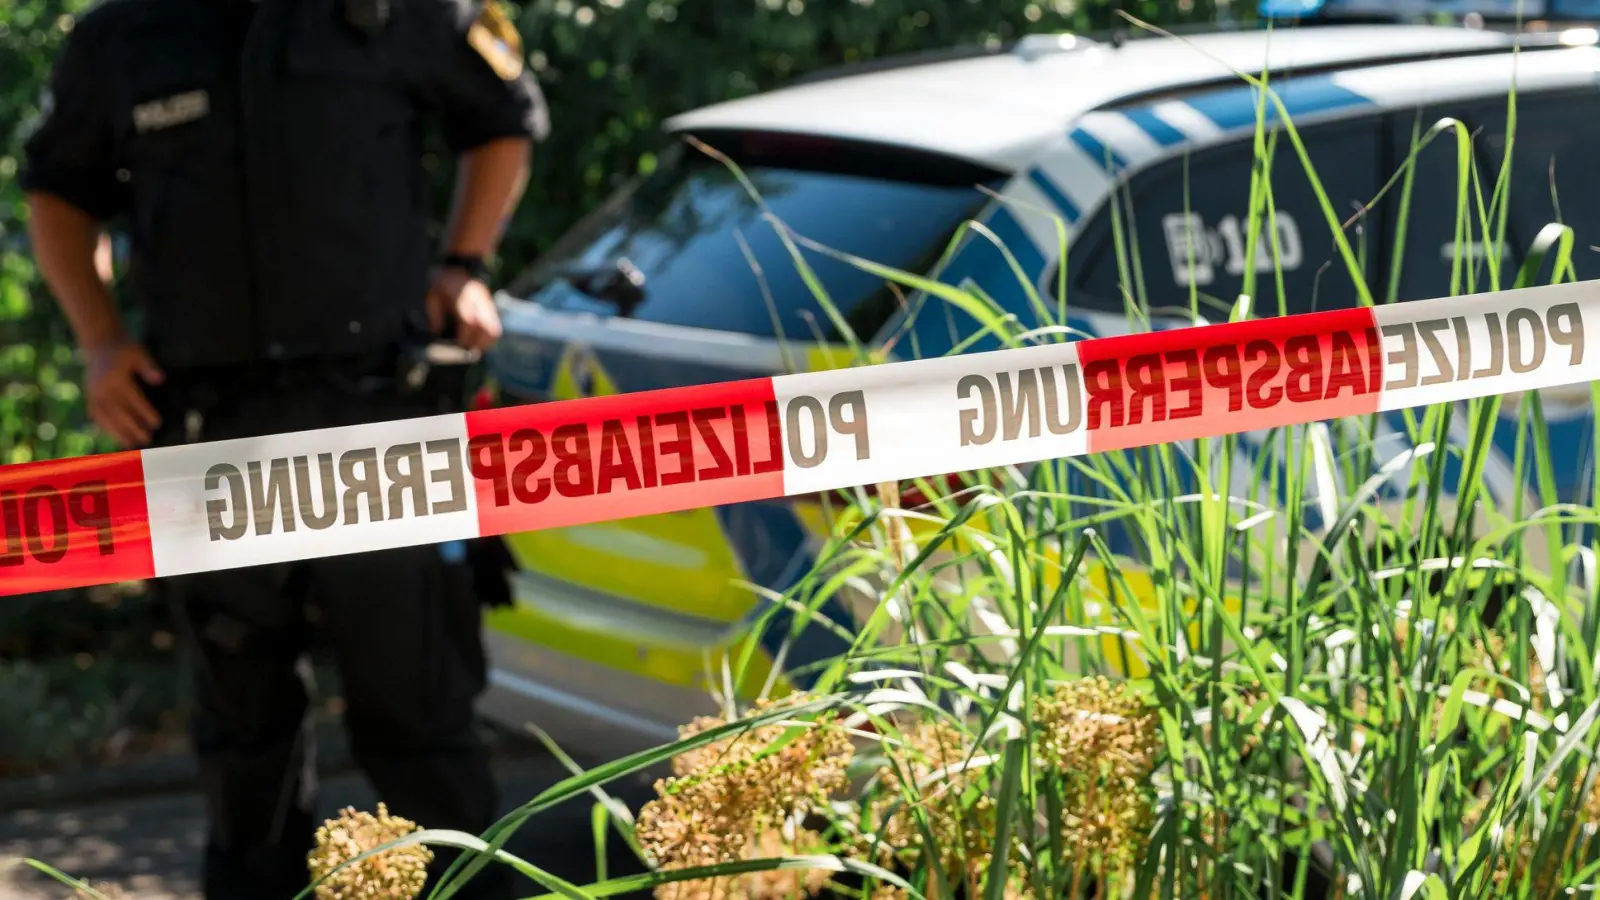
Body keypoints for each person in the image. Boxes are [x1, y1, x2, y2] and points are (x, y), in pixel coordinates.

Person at [21, 0, 548, 897]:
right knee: (244, 753)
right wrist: (100, 342)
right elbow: (58, 192)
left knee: (422, 732)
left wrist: (465, 266)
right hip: (208, 434)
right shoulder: (122, 35)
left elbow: (502, 120)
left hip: (375, 426)